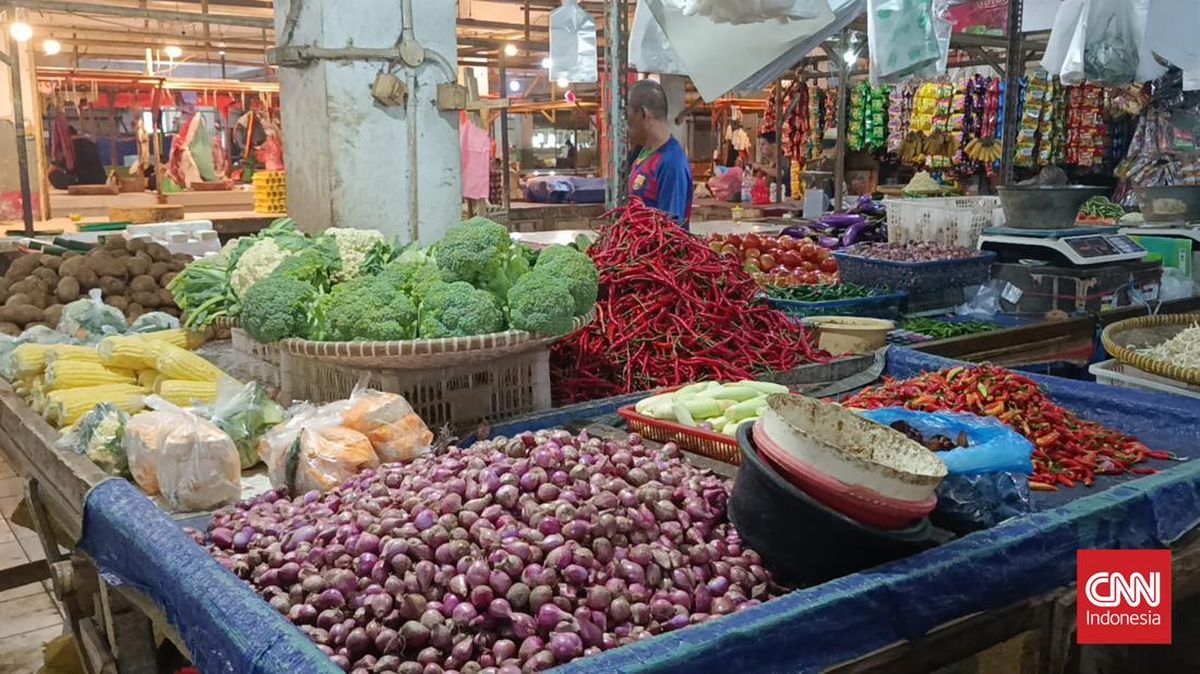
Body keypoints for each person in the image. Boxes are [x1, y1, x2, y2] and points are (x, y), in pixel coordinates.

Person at [626, 79, 693, 225]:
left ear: (643, 114)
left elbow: (671, 234)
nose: (625, 126)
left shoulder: (671, 164)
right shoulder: (642, 154)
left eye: (628, 117)